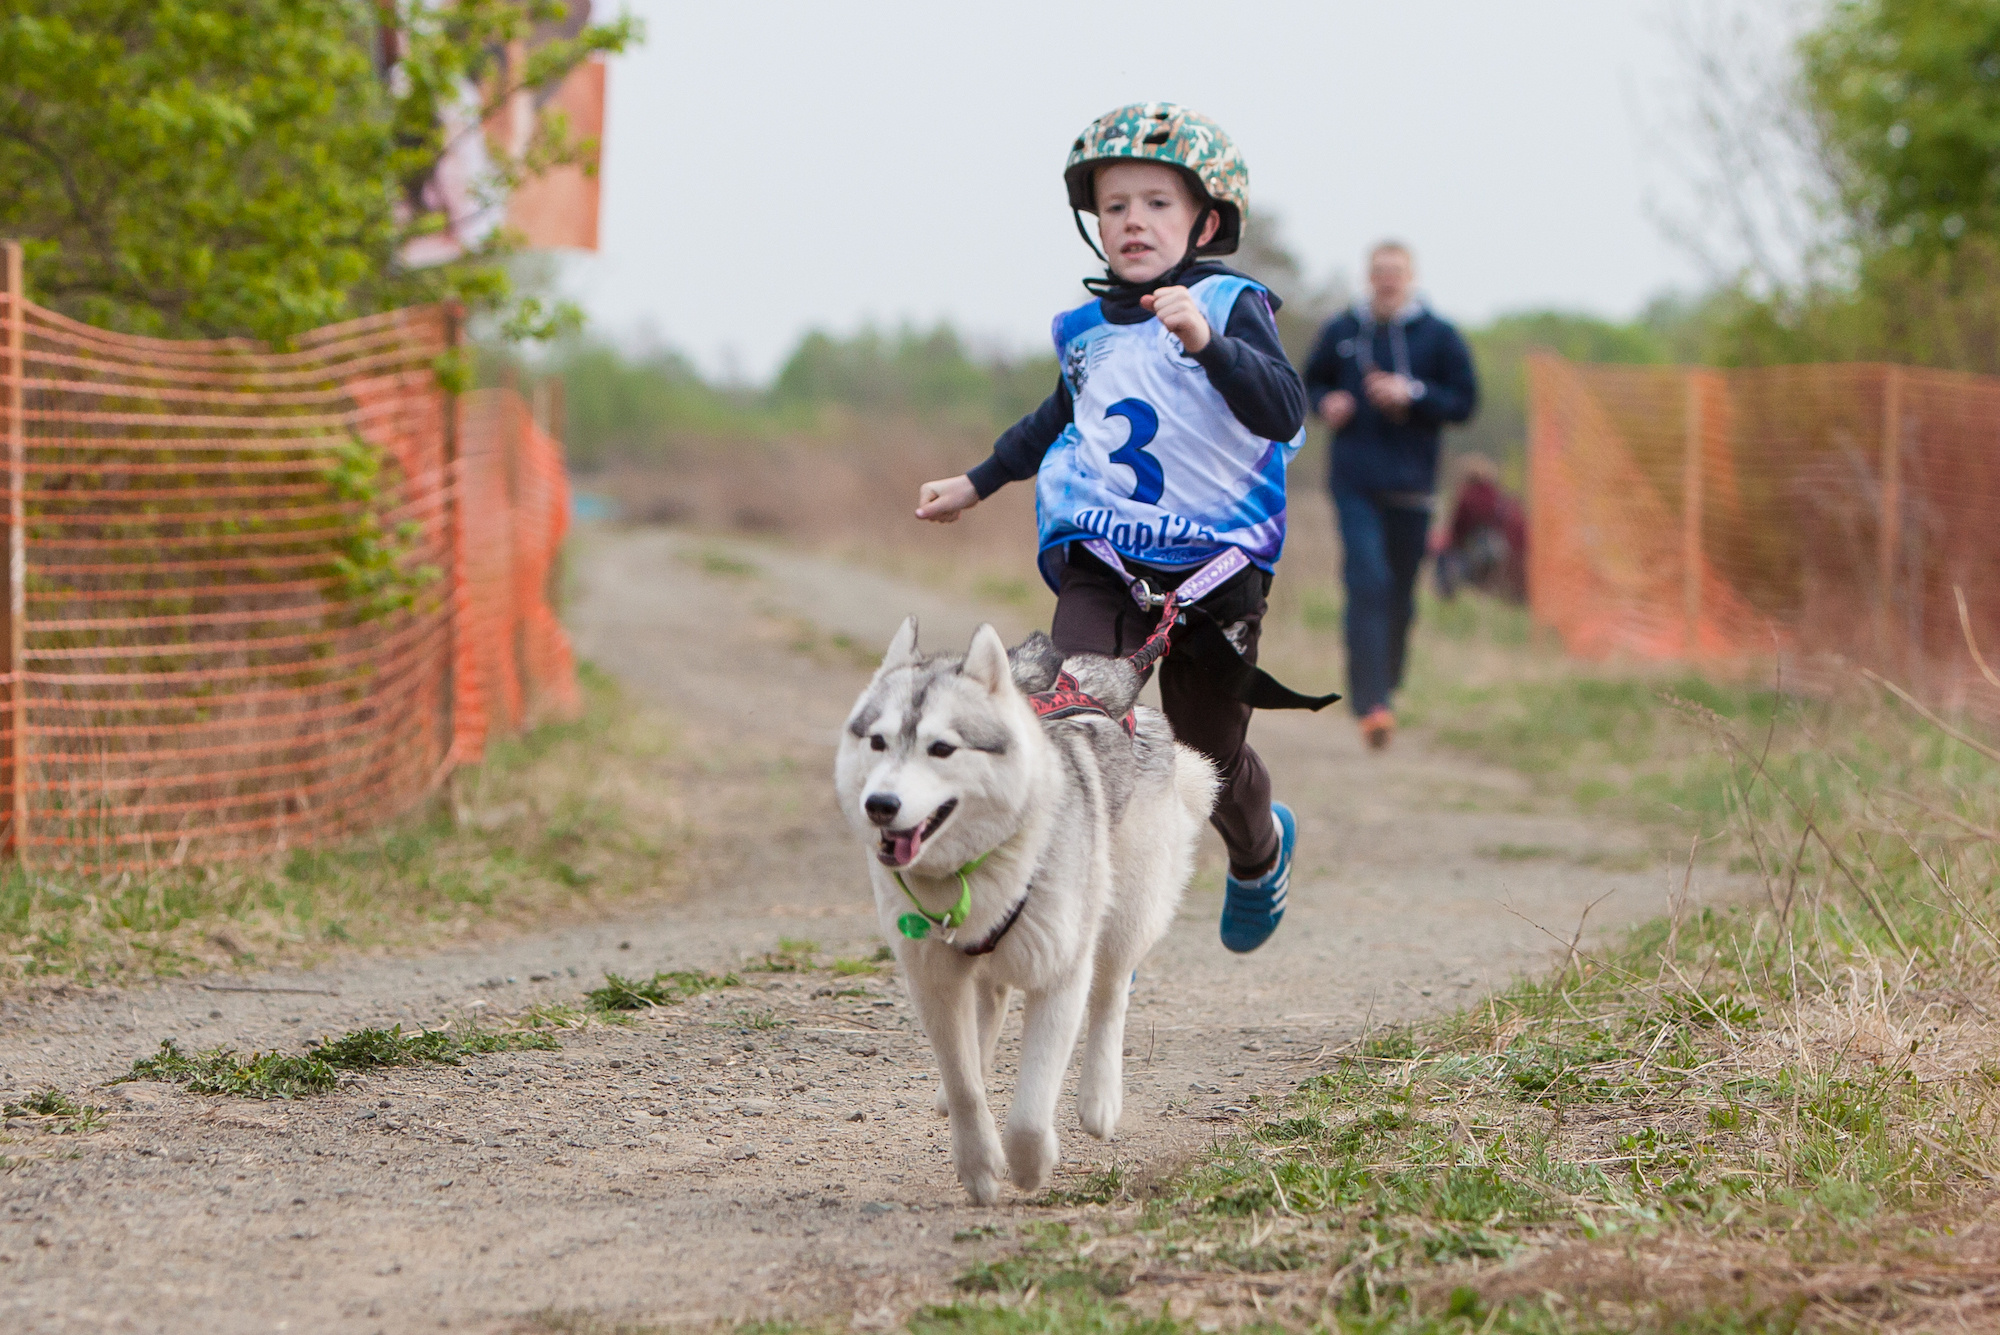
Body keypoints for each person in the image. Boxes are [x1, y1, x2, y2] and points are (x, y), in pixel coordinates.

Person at [912, 102, 1319, 955]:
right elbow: (1055, 419)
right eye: (1114, 205)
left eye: (1156, 203)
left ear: (1205, 220)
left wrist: (1209, 342)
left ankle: (1260, 847)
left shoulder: (1231, 303)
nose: (1133, 220)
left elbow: (1283, 410)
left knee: (1199, 761)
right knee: (1076, 719)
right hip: (1106, 557)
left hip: (1216, 569)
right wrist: (978, 480)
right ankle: (1091, 920)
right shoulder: (1086, 332)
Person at [1303, 243, 1478, 750]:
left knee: (1400, 593)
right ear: (1368, 277)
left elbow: (1465, 401)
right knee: (1367, 580)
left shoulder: (1439, 337)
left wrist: (1414, 394)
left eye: (1395, 273)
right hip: (1354, 480)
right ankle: (1371, 703)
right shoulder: (1341, 332)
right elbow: (1309, 384)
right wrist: (1327, 402)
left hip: (1413, 486)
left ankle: (1386, 681)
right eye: (1378, 272)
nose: (1386, 281)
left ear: (1411, 278)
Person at [1432, 454, 1526, 602]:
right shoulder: (1499, 496)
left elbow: (1457, 531)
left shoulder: (1467, 497)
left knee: (1442, 555)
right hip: (1505, 553)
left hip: (1481, 555)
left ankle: (1445, 596)